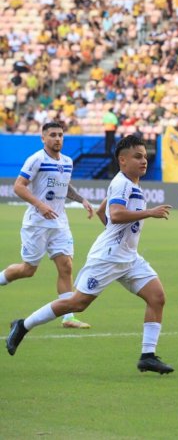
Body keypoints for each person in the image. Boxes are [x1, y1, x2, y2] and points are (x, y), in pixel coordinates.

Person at [6, 136, 175, 375]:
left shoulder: (129, 183)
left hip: (128, 257)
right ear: (122, 160)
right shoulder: (123, 184)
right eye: (138, 156)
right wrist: (149, 213)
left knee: (157, 297)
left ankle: (147, 356)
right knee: (77, 303)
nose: (143, 161)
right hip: (107, 258)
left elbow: (102, 211)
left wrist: (115, 234)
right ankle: (23, 325)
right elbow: (115, 214)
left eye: (145, 157)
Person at [0, 122, 94, 329]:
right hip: (37, 223)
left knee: (66, 266)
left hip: (59, 222)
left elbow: (64, 185)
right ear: (43, 138)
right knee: (28, 269)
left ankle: (68, 317)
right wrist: (40, 205)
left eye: (60, 135)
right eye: (53, 135)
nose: (57, 138)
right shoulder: (36, 160)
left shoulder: (67, 161)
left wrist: (81, 200)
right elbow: (18, 186)